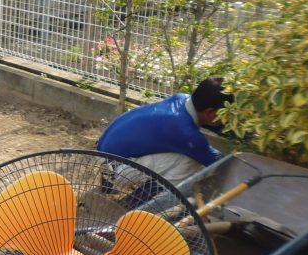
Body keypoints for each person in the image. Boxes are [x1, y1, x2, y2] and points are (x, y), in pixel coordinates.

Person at [97, 76, 232, 186]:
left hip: (105, 156)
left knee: (187, 153)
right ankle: (143, 203)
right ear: (209, 112)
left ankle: (111, 183)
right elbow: (219, 162)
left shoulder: (182, 98)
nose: (227, 119)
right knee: (190, 159)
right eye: (226, 114)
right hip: (115, 169)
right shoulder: (186, 134)